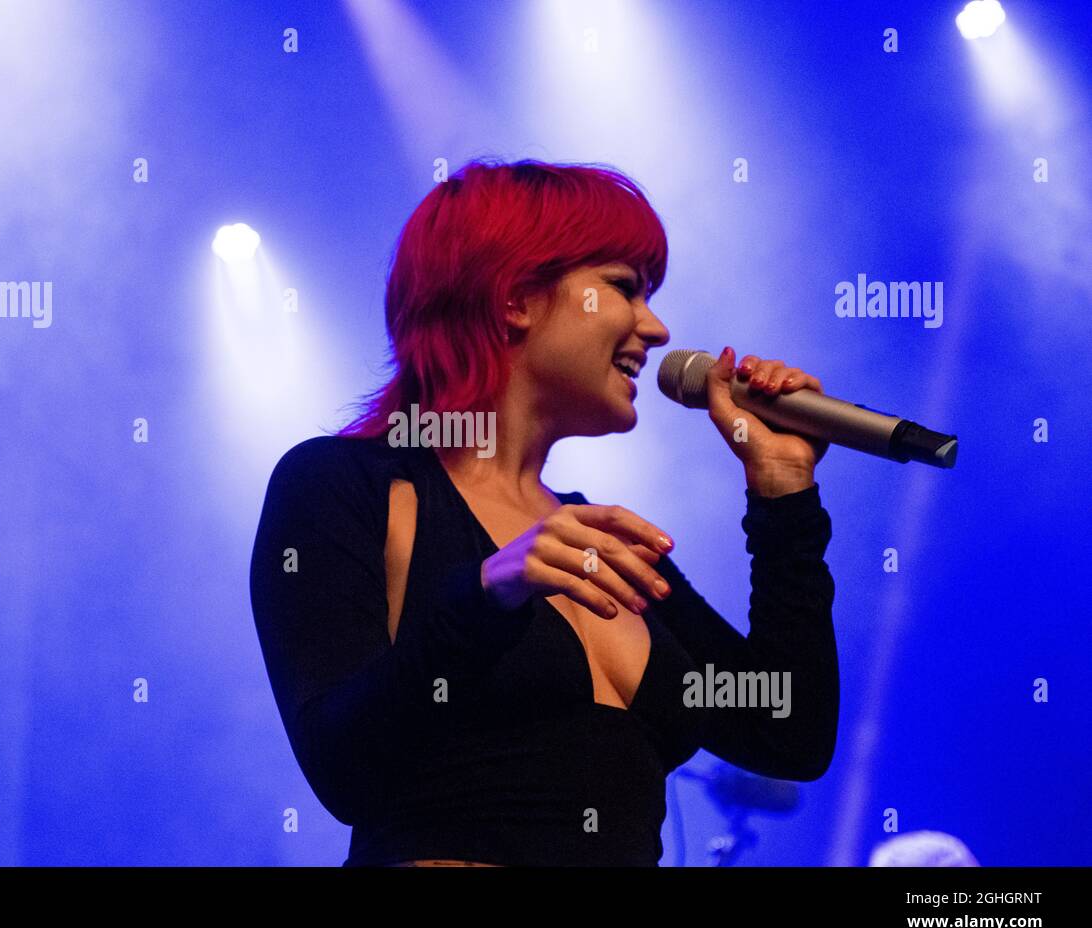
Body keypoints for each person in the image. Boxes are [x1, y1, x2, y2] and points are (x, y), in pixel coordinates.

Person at [249, 159, 840, 866]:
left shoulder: (600, 537)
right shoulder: (344, 485)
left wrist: (783, 497)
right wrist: (484, 597)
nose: (655, 329)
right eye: (624, 288)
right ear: (515, 297)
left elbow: (789, 732)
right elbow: (343, 768)